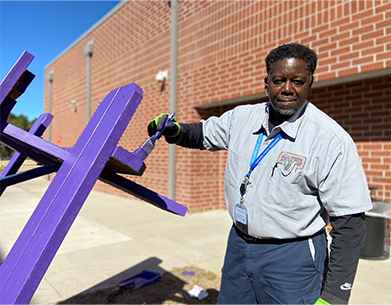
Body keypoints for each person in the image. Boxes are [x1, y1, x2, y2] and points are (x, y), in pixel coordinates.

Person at [148, 43, 372, 305]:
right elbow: (202, 134)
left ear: (310, 83)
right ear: (267, 83)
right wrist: (175, 131)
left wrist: (334, 296)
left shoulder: (330, 140)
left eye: (297, 81)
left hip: (293, 259)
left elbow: (351, 223)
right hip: (239, 246)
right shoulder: (241, 118)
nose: (287, 88)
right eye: (278, 80)